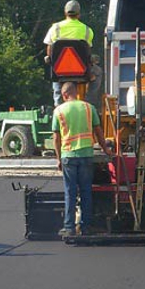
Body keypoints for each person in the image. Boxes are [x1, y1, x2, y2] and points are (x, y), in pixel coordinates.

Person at [52, 82, 112, 237]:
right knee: (86, 192)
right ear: (76, 92)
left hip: (68, 157)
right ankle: (85, 227)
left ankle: (69, 228)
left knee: (70, 193)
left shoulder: (58, 111)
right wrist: (106, 149)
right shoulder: (88, 108)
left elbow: (56, 138)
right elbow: (98, 132)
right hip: (86, 155)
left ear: (64, 95)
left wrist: (58, 159)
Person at [43, 0, 94, 106]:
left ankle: (57, 103)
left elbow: (49, 49)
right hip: (81, 72)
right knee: (97, 72)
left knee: (54, 72)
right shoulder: (87, 30)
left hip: (59, 72)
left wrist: (50, 58)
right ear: (79, 14)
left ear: (65, 13)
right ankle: (88, 102)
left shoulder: (55, 28)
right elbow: (88, 51)